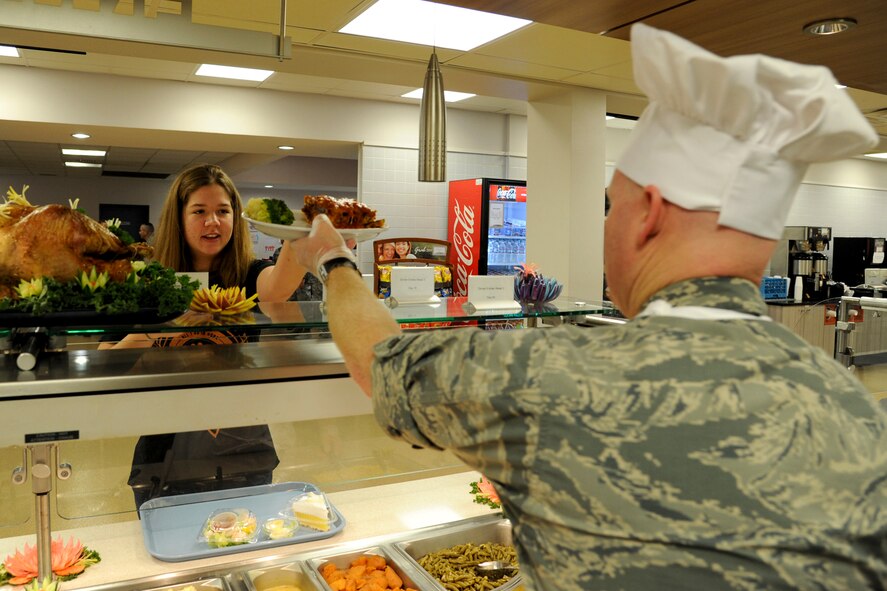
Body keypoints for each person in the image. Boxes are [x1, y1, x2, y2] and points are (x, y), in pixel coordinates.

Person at [288, 24, 887, 591]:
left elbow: (380, 361)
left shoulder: (548, 379)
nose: (606, 222)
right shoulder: (860, 416)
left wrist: (336, 262)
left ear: (649, 213)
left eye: (611, 205)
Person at [122, 163, 312, 509]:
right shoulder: (151, 281)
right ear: (178, 218)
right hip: (163, 451)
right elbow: (110, 359)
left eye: (223, 211)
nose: (213, 222)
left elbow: (277, 290)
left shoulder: (247, 273)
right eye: (200, 211)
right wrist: (161, 325)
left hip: (243, 448)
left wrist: (299, 235)